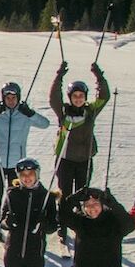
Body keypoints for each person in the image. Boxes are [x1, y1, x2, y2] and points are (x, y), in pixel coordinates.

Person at [0, 80, 49, 235]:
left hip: (17, 163)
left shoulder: (24, 114)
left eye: (14, 98)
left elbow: (45, 124)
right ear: (3, 98)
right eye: (7, 98)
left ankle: (13, 218)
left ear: (18, 97)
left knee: (15, 192)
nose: (11, 101)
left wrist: (31, 113)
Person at [48, 63, 111, 244]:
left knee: (82, 193)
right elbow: (54, 98)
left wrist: (99, 76)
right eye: (75, 96)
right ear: (70, 97)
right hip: (65, 159)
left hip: (84, 159)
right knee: (65, 194)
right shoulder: (63, 112)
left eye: (81, 96)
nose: (78, 99)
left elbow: (104, 96)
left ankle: (80, 223)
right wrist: (59, 77)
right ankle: (63, 225)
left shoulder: (90, 111)